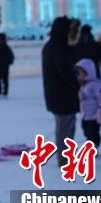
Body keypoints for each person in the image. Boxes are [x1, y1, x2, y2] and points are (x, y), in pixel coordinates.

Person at [42, 16, 81, 166]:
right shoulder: (59, 49)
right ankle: (64, 157)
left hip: (58, 94)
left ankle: (66, 154)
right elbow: (66, 73)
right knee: (65, 126)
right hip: (62, 94)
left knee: (65, 125)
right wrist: (78, 85)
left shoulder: (53, 46)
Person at [75, 58, 101, 147]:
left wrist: (100, 110)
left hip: (94, 114)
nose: (81, 74)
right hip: (85, 114)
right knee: (85, 130)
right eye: (79, 72)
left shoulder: (95, 85)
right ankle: (90, 143)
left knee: (93, 132)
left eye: (83, 72)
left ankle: (94, 145)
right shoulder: (83, 84)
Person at [0, 33, 14, 98]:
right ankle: (5, 93)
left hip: (0, 65)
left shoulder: (1, 46)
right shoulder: (6, 46)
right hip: (6, 65)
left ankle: (0, 92)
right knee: (5, 79)